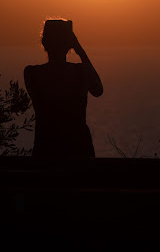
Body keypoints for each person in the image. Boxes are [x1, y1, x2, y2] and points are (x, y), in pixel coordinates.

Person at [24, 19, 103, 158]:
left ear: (44, 43)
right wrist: (80, 50)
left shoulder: (31, 74)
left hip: (46, 148)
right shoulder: (81, 71)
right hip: (79, 150)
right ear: (69, 45)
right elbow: (98, 90)